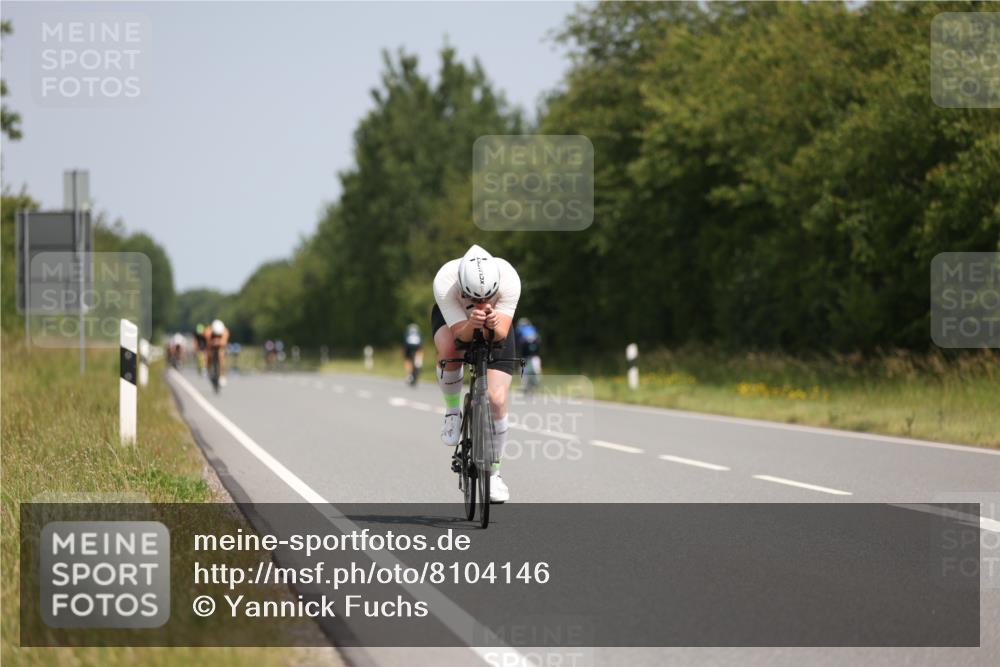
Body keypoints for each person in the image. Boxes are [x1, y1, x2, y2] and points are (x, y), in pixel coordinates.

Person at [432, 244, 520, 503]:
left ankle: (494, 474)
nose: (481, 304)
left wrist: (492, 323)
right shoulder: (445, 282)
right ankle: (452, 412)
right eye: (475, 299)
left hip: (497, 321)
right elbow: (460, 336)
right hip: (457, 319)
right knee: (450, 349)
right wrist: (471, 323)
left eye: (486, 298)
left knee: (497, 399)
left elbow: (501, 334)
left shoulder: (509, 278)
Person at [515, 318, 542, 389]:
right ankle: (534, 382)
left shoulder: (519, 331)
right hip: (532, 355)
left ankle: (525, 385)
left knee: (523, 370)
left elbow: (517, 345)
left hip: (526, 355)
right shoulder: (533, 331)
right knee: (534, 368)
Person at [205, 319, 230, 386]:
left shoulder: (225, 331)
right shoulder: (208, 331)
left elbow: (224, 343)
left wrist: (218, 343)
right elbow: (208, 343)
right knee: (209, 355)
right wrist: (213, 343)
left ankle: (222, 375)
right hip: (211, 345)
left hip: (220, 346)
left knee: (221, 356)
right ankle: (208, 368)